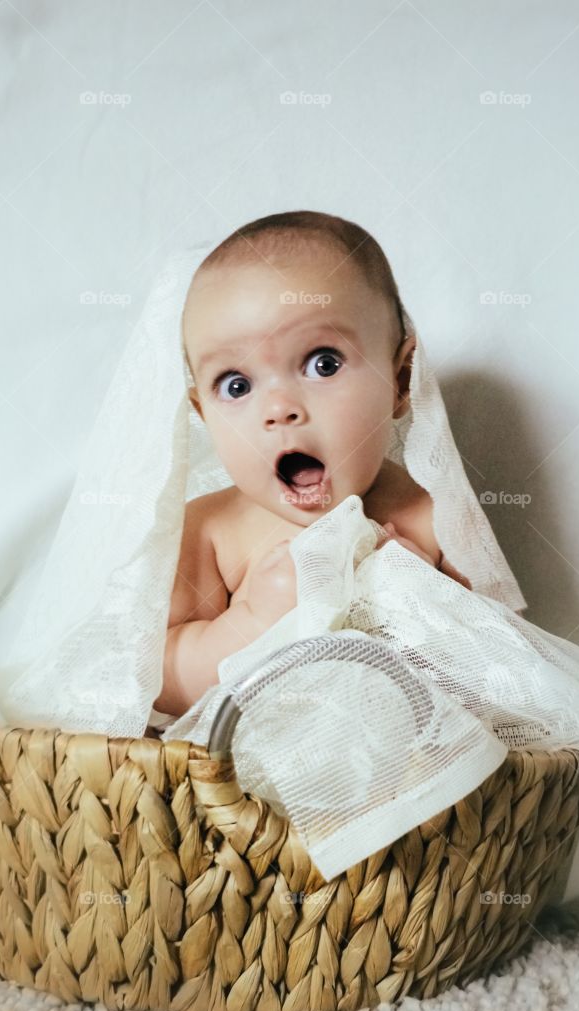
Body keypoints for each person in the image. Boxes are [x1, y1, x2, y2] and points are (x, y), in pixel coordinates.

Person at [156, 212, 472, 718]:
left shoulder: (435, 517)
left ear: (400, 380)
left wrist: (418, 598)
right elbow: (155, 675)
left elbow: (503, 668)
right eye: (236, 385)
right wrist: (254, 621)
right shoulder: (209, 530)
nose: (280, 408)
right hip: (239, 774)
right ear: (203, 415)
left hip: (411, 764)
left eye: (323, 363)